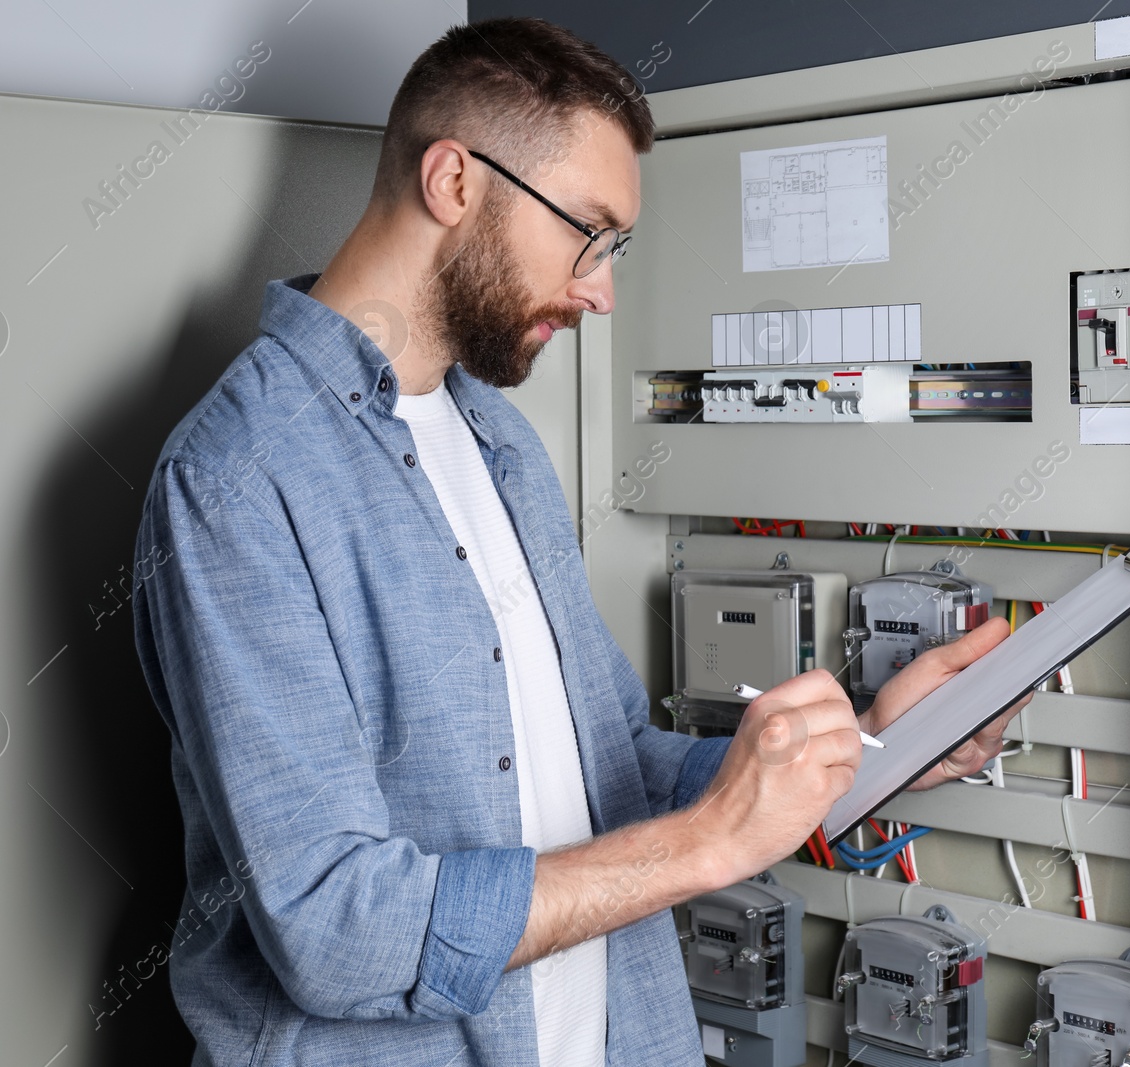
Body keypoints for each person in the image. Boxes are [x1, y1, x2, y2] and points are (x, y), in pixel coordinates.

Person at [130, 16, 1021, 1067]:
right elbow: (334, 928)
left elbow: (613, 770)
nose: (599, 288)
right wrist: (705, 843)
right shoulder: (238, 475)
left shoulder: (496, 440)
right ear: (454, 182)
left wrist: (870, 748)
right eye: (584, 230)